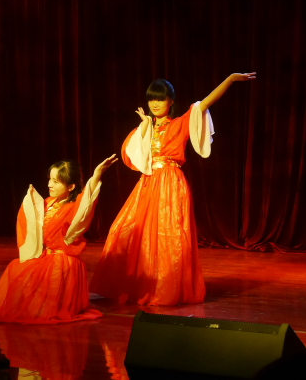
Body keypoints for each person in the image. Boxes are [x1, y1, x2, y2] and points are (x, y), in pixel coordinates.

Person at [89, 73, 256, 306]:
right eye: (152, 99)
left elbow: (204, 104)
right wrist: (145, 127)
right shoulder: (145, 127)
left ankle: (165, 288)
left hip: (170, 183)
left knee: (168, 236)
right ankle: (123, 285)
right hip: (148, 183)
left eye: (160, 98)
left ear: (171, 101)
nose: (155, 103)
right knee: (124, 230)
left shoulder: (179, 124)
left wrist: (229, 80)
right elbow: (133, 156)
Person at [0, 155, 118, 324]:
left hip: (61, 258)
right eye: (50, 180)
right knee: (16, 267)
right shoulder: (47, 203)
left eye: (56, 181)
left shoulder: (74, 207)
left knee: (44, 278)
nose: (50, 185)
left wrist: (96, 175)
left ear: (71, 186)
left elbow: (88, 200)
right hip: (43, 255)